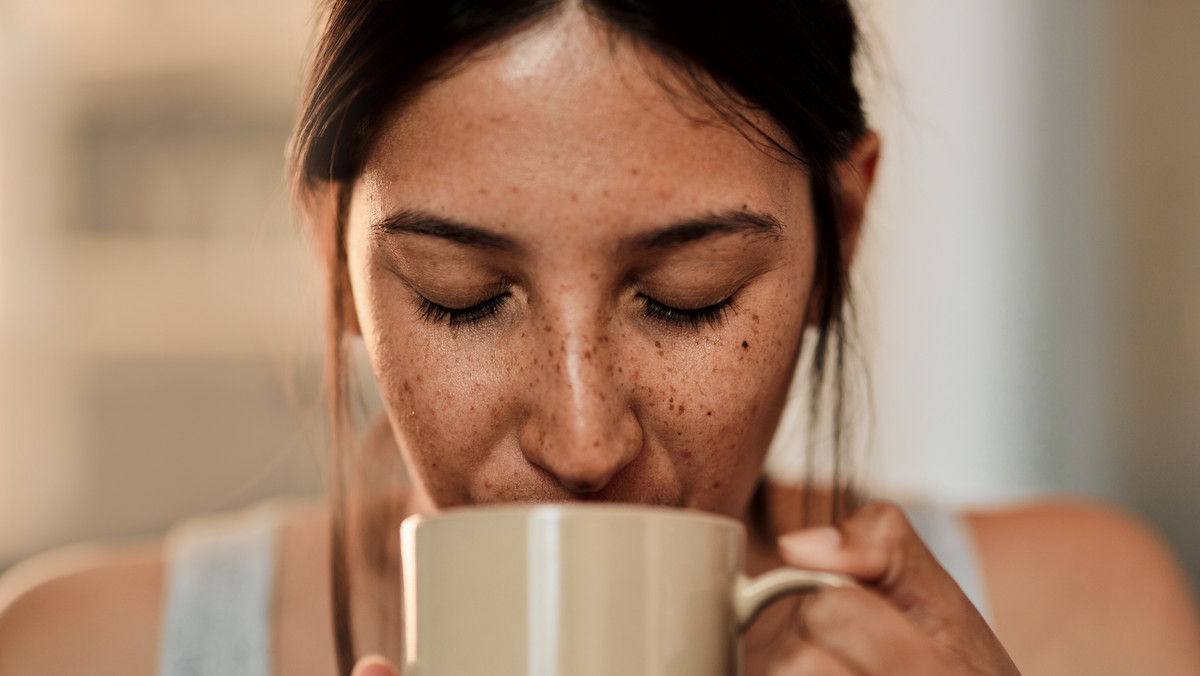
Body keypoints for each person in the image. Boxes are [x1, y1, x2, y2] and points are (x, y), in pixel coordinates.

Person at [2, 1, 1200, 675]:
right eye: (463, 295)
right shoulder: (79, 654)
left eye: (688, 296)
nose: (582, 440)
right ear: (339, 264)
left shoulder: (1083, 624)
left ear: (840, 232)